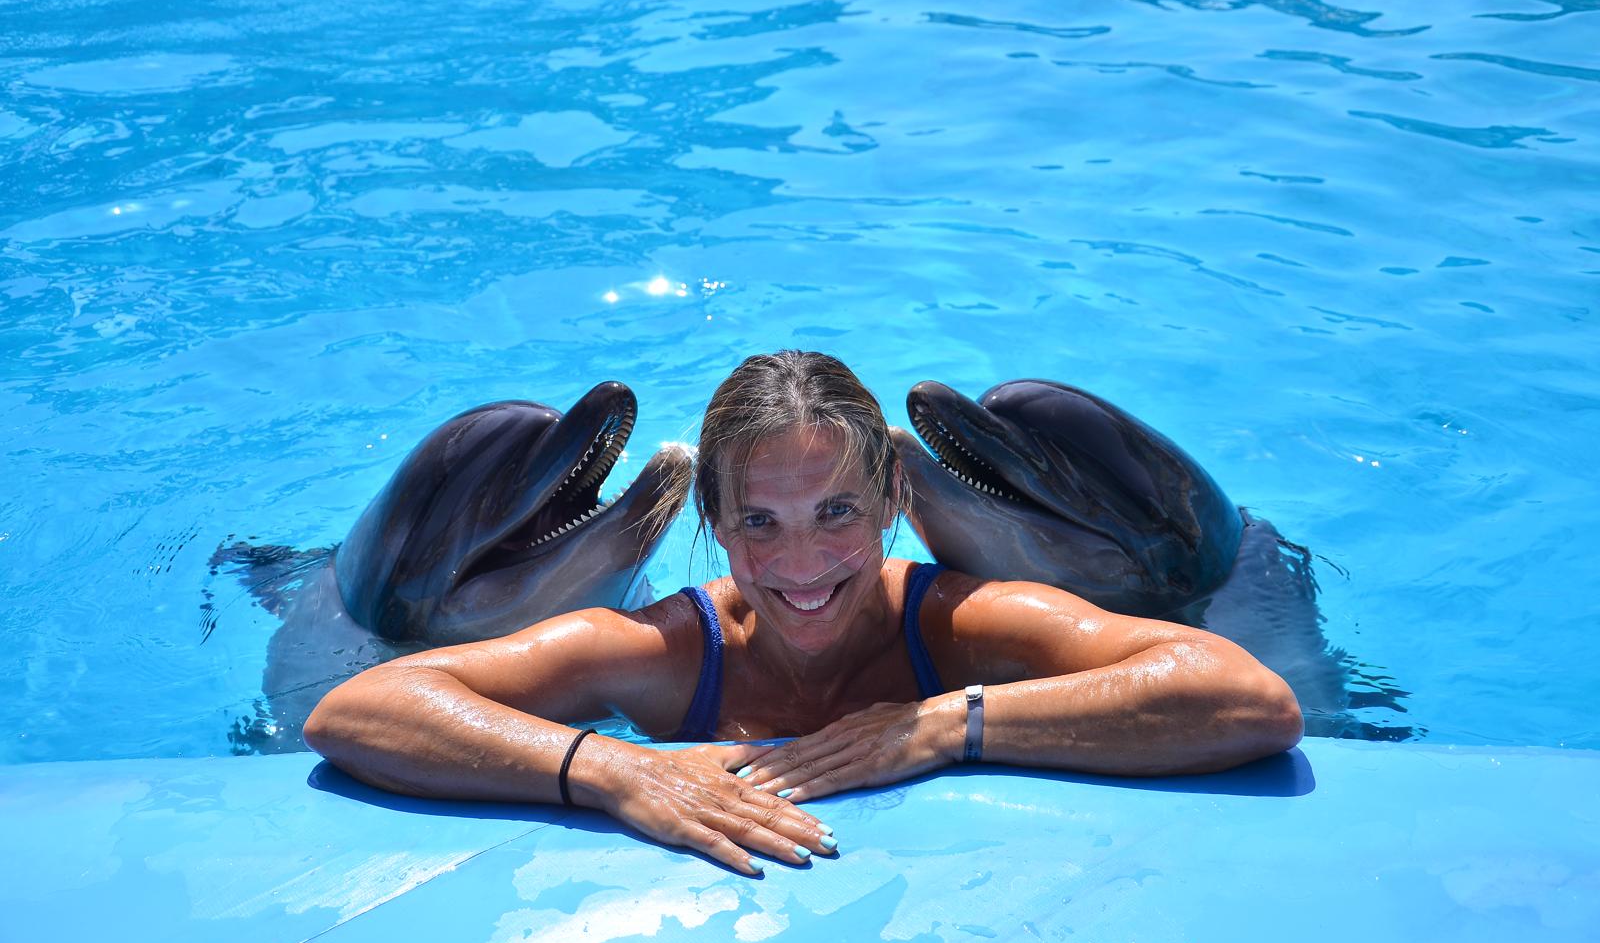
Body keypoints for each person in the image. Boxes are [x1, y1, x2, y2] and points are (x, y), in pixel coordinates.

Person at [305, 351, 1303, 875]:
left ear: (891, 507)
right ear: (716, 526)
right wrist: (606, 769)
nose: (802, 564)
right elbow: (353, 713)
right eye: (761, 523)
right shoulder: (656, 653)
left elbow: (1246, 699)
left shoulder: (964, 627)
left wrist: (943, 727)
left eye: (836, 515)